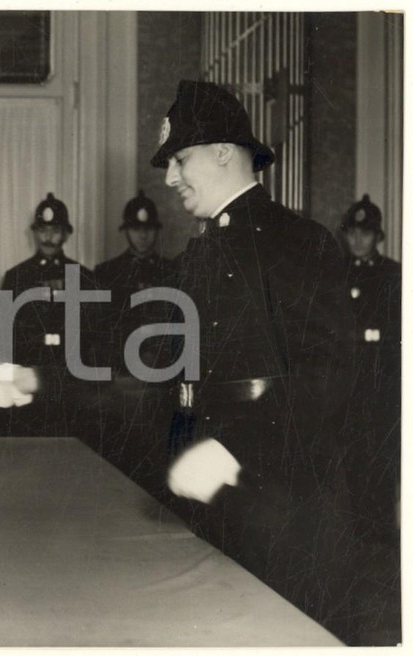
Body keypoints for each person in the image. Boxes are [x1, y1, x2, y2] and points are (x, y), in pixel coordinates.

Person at [151, 79, 394, 644]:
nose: (169, 179)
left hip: (285, 513)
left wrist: (230, 448)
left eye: (179, 159)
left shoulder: (297, 241)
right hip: (211, 507)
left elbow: (329, 376)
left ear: (222, 152)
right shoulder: (201, 251)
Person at [0, 192, 99, 437]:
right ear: (34, 232)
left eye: (55, 230)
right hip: (27, 376)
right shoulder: (16, 276)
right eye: (43, 230)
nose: (49, 237)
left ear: (66, 233)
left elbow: (95, 332)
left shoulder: (85, 277)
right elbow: (2, 333)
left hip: (69, 379)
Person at [92, 190, 176, 491]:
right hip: (121, 383)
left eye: (148, 229)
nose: (142, 236)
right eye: (136, 229)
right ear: (125, 231)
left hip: (159, 384)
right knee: (119, 466)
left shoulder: (172, 272)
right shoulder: (105, 273)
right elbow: (99, 331)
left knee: (157, 467)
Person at [338, 194, 401, 544]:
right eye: (352, 232)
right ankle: (351, 536)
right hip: (345, 389)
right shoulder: (335, 274)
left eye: (366, 232)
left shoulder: (394, 275)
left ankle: (380, 540)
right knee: (348, 462)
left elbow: (396, 337)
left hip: (381, 387)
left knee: (380, 461)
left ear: (378, 236)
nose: (358, 239)